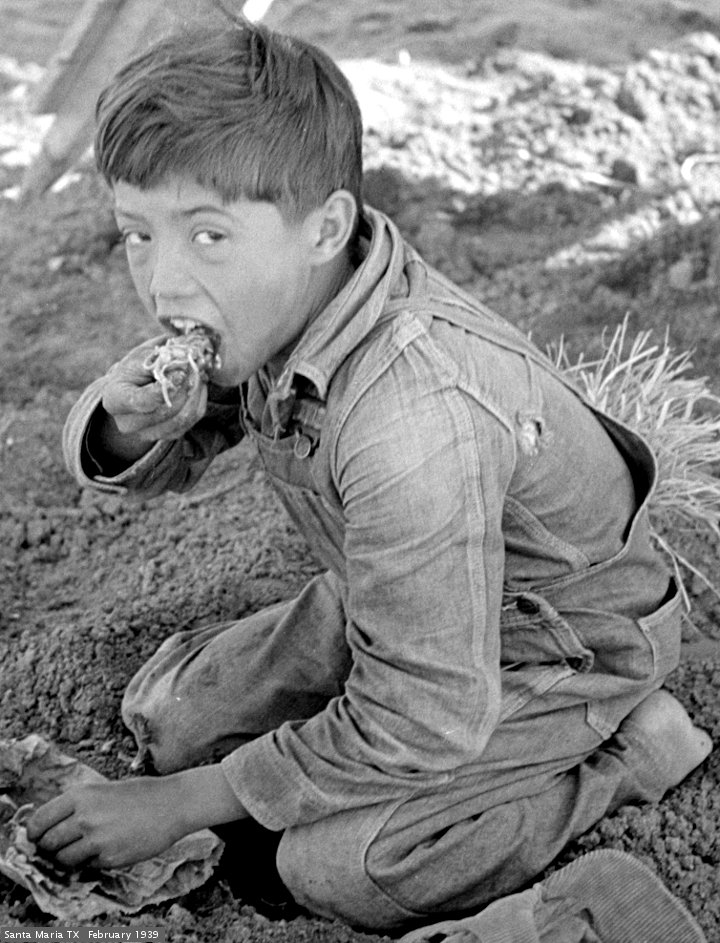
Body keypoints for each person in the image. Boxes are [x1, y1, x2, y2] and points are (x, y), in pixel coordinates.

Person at [26, 16, 712, 933]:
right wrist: (122, 424)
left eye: (209, 235)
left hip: (557, 643)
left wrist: (183, 802)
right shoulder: (287, 297)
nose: (165, 285)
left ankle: (627, 754)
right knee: (172, 714)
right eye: (138, 234)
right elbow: (190, 434)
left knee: (343, 867)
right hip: (401, 594)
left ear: (326, 227)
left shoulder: (412, 419)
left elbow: (424, 714)